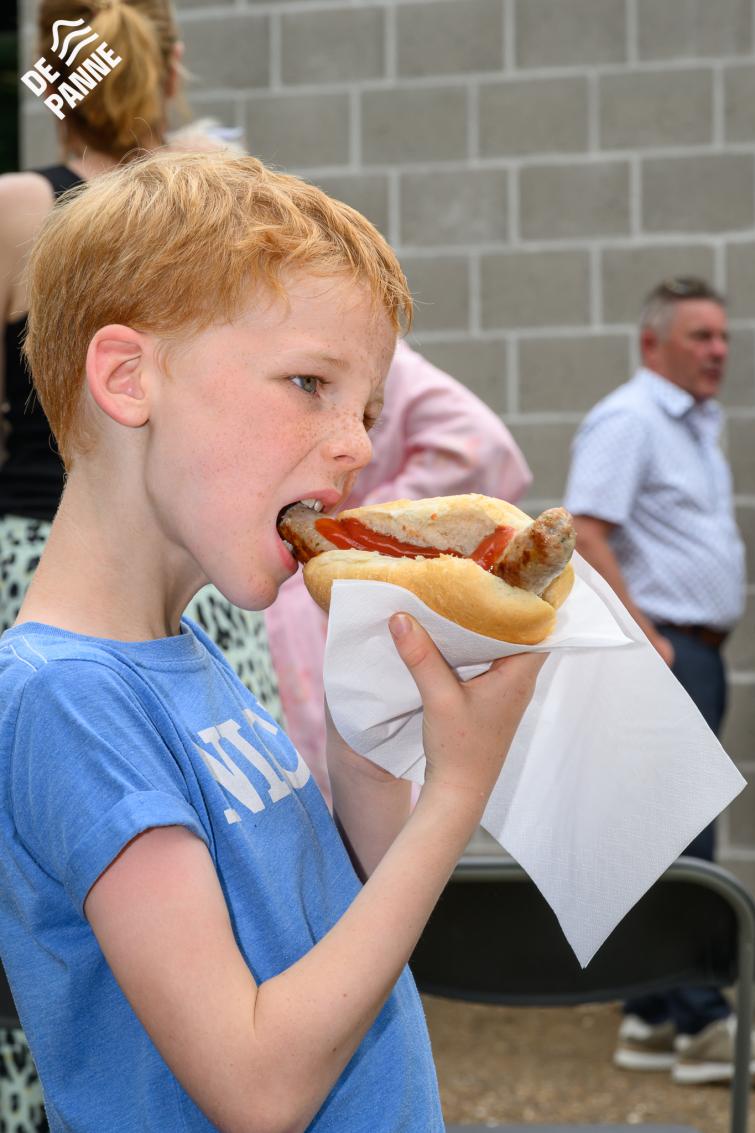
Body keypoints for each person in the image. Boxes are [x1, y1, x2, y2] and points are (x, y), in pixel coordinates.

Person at [0, 149, 546, 1132]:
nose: (358, 444)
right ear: (127, 377)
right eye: (309, 382)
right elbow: (257, 1084)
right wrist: (458, 793)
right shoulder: (66, 698)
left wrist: (368, 740)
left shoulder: (189, 656)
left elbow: (338, 928)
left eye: (366, 409)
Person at [0, 0, 282, 724]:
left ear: (50, 81)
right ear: (172, 68)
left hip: (36, 564)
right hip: (200, 578)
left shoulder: (17, 207)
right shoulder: (228, 207)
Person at [563, 276, 747, 1086]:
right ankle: (700, 1021)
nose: (717, 350)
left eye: (722, 336)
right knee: (680, 835)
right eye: (699, 336)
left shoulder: (697, 425)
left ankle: (648, 1014)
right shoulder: (630, 418)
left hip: (692, 650)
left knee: (667, 831)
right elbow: (584, 530)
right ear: (652, 343)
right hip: (665, 650)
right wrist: (648, 637)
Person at [265, 339, 532, 802]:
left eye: (371, 418)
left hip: (317, 616)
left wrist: (369, 529)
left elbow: (483, 447)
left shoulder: (360, 344)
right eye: (307, 384)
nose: (357, 448)